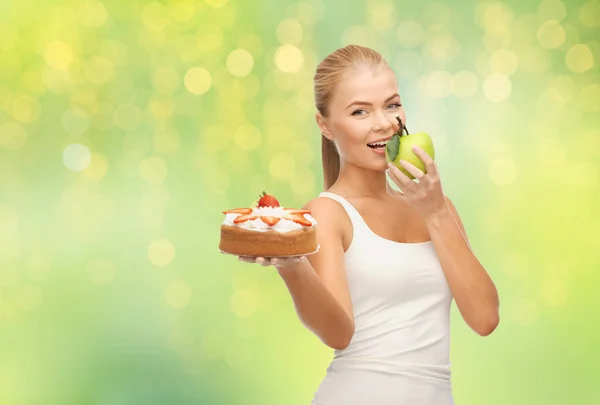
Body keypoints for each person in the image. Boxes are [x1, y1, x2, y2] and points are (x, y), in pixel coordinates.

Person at [239, 44, 500, 405]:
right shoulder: (328, 213)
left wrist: (436, 211)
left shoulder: (438, 207)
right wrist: (292, 265)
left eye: (391, 105)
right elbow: (338, 333)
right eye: (360, 111)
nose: (382, 123)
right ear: (325, 125)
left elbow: (485, 318)